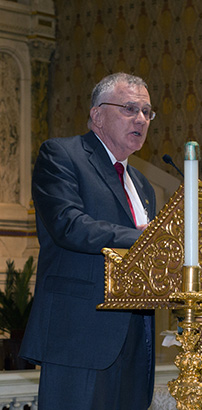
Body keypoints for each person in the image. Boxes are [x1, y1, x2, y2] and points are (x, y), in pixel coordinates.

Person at [20, 73, 157, 410]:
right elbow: (70, 225)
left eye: (147, 112)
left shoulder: (142, 185)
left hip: (136, 340)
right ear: (98, 115)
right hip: (79, 334)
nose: (140, 119)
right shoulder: (61, 155)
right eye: (129, 108)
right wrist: (149, 238)